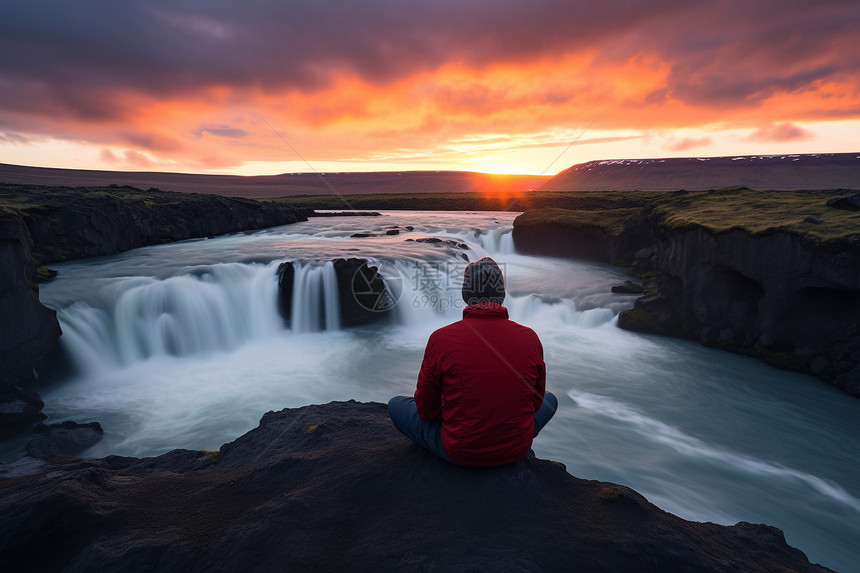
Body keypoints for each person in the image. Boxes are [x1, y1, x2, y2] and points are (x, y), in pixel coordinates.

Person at [388, 256, 557, 466]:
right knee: (551, 400)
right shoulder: (530, 337)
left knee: (396, 405)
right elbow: (535, 403)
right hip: (516, 449)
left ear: (465, 294)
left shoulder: (441, 339)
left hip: (461, 452)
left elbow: (426, 411)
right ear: (502, 295)